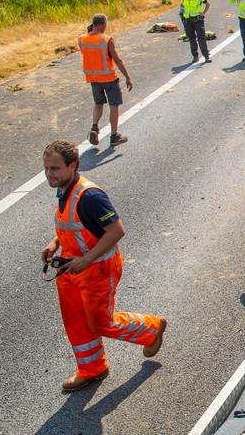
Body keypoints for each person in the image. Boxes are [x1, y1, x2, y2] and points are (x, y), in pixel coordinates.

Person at [40, 140, 167, 392]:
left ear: (72, 165)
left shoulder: (90, 196)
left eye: (54, 169)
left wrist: (86, 260)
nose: (49, 174)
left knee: (100, 323)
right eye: (46, 168)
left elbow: (116, 230)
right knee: (76, 321)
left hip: (97, 269)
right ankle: (91, 369)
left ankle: (151, 329)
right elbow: (78, 225)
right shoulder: (64, 189)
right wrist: (54, 242)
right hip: (70, 269)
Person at [80, 14, 133, 147]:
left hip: (93, 79)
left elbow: (88, 53)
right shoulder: (107, 40)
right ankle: (114, 136)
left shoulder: (82, 39)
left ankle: (94, 127)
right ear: (103, 24)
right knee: (113, 106)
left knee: (98, 104)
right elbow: (117, 60)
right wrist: (127, 77)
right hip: (109, 78)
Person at [179, 0, 211, 64]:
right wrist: (182, 18)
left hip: (198, 20)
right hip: (187, 21)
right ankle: (195, 56)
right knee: (192, 39)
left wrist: (203, 13)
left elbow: (207, 4)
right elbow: (182, 8)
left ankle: (206, 56)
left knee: (201, 38)